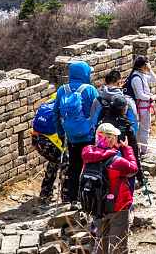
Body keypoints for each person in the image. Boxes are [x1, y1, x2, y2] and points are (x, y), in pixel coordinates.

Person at [82, 123, 139, 254]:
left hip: (97, 206)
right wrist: (126, 149)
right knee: (118, 245)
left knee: (100, 243)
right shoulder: (117, 161)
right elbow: (133, 169)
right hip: (117, 206)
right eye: (113, 137)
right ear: (110, 139)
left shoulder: (88, 156)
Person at [54, 60, 99, 204]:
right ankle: (87, 197)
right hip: (88, 135)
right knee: (89, 165)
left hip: (71, 136)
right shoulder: (90, 89)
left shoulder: (62, 90)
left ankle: (73, 198)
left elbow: (56, 113)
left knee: (74, 166)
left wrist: (60, 133)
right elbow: (98, 111)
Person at [92, 70, 143, 186]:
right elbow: (135, 119)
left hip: (104, 137)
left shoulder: (98, 99)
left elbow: (93, 119)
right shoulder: (126, 100)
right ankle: (136, 180)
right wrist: (132, 134)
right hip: (124, 138)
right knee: (131, 159)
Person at [31, 92, 64, 205]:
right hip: (52, 143)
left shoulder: (46, 104)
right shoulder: (63, 107)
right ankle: (65, 196)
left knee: (53, 162)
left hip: (37, 141)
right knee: (66, 165)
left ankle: (45, 194)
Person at [124, 56, 156, 151]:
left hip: (144, 106)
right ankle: (143, 150)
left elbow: (154, 80)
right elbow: (140, 95)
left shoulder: (141, 75)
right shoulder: (136, 78)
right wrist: (151, 97)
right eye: (147, 63)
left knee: (142, 129)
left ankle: (141, 148)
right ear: (143, 65)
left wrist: (150, 70)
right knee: (144, 129)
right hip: (142, 106)